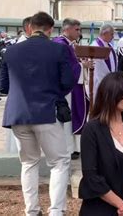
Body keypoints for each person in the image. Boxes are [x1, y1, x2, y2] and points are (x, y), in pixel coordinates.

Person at [0, 11, 74, 216]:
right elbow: (68, 82)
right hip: (47, 113)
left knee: (29, 162)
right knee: (59, 162)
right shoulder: (58, 50)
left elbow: (3, 87)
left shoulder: (11, 51)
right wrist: (54, 92)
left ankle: (31, 210)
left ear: (30, 27)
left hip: (18, 115)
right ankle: (56, 211)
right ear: (50, 30)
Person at [79, 72, 123, 215]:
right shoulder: (92, 130)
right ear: (113, 94)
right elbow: (91, 176)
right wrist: (122, 206)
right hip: (100, 210)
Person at [53, 18, 90, 160]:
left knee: (73, 115)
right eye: (77, 29)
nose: (79, 32)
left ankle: (73, 147)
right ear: (67, 29)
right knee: (67, 117)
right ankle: (67, 149)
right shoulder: (61, 44)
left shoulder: (69, 44)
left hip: (72, 86)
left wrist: (81, 64)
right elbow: (66, 68)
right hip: (66, 89)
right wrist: (82, 66)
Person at [89, 23, 117, 102]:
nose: (113, 36)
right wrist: (109, 81)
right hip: (100, 83)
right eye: (111, 34)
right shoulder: (95, 46)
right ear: (105, 33)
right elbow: (99, 69)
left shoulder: (109, 46)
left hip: (110, 82)